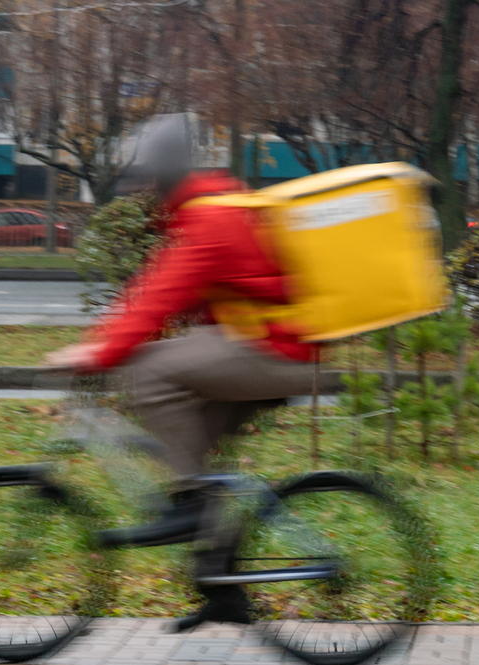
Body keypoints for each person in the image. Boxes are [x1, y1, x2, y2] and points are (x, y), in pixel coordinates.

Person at [45, 114, 319, 625]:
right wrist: (98, 342)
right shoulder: (202, 209)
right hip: (265, 348)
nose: (140, 189)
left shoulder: (210, 219)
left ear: (166, 174)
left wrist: (96, 355)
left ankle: (190, 504)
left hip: (275, 352)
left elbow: (158, 300)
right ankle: (222, 589)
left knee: (147, 371)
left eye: (145, 176)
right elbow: (149, 291)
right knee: (199, 462)